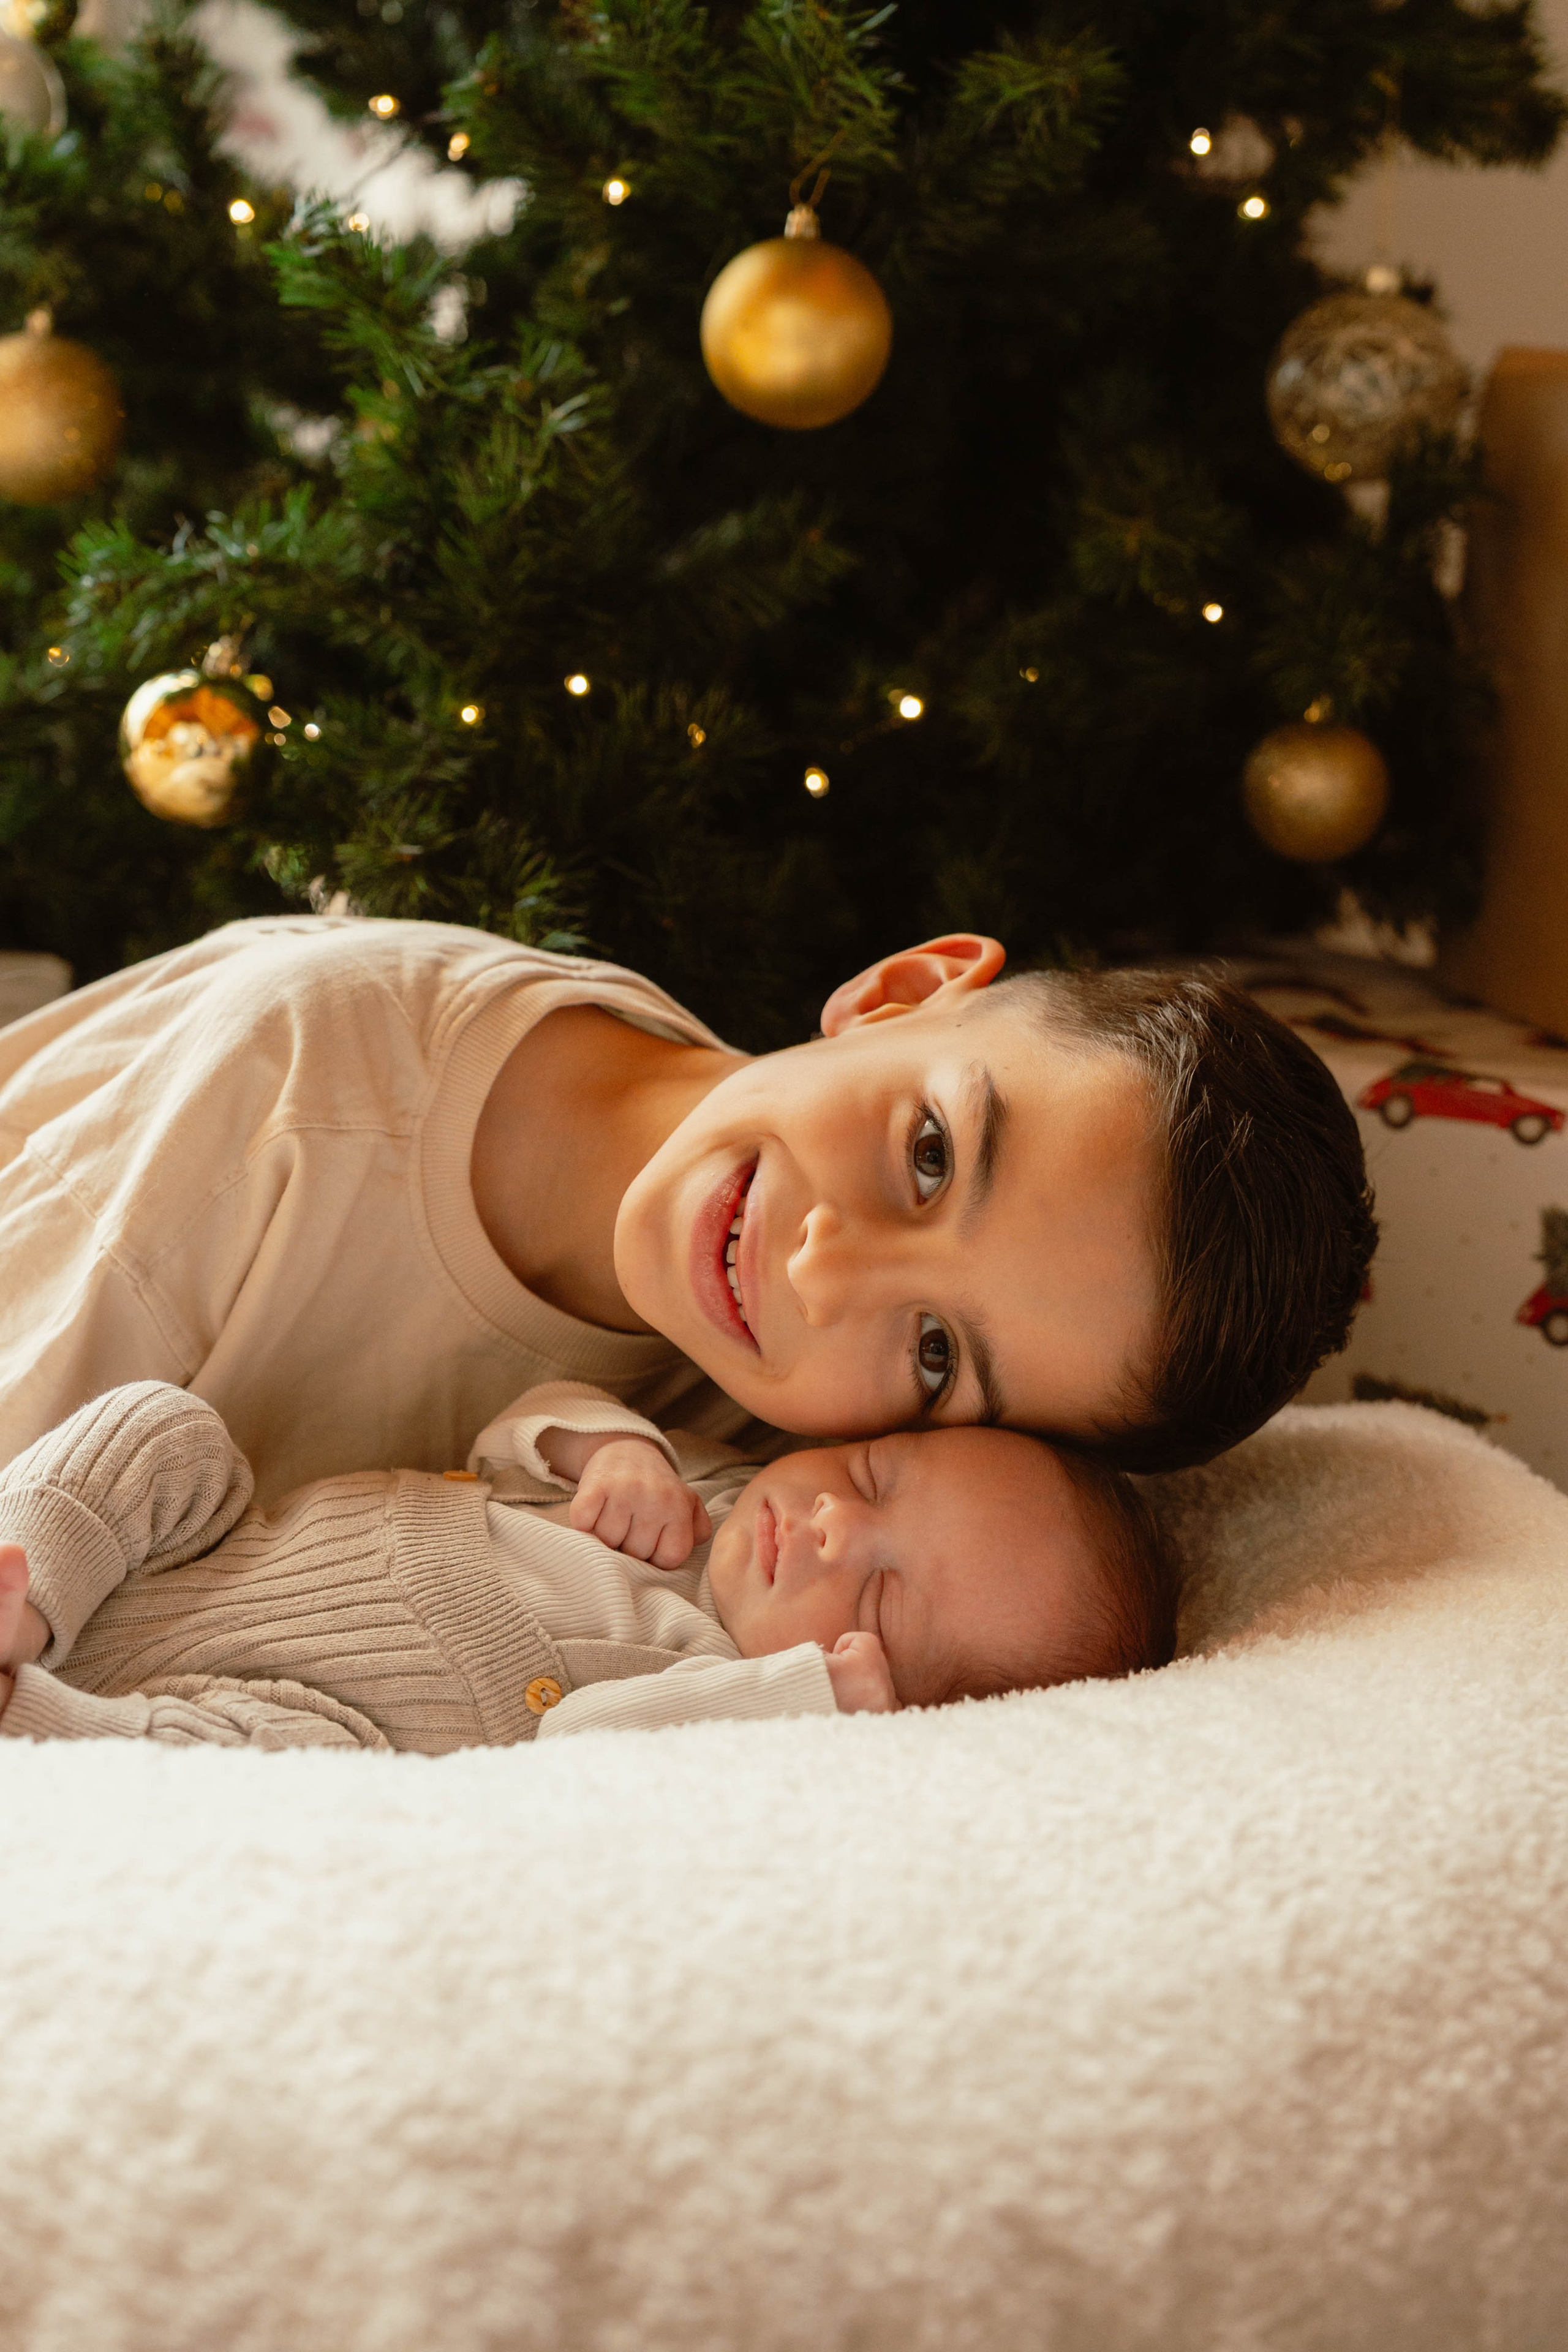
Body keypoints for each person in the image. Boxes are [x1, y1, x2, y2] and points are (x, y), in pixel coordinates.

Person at [0, 915, 1374, 1494]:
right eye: (931, 1156)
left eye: (938, 1352)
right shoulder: (297, 1082)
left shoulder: (753, 1437)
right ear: (899, 991)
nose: (826, 1271)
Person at [0, 1379, 1174, 1749]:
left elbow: (582, 1750)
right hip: (217, 1546)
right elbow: (510, 1428)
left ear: (873, 1685)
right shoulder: (703, 1484)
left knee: (257, 1771)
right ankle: (25, 1575)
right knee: (166, 1428)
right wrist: (606, 1445)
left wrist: (804, 1699)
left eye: (873, 1591)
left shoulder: (718, 1686)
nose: (826, 1526)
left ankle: (35, 1715)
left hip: (316, 1713)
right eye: (869, 1476)